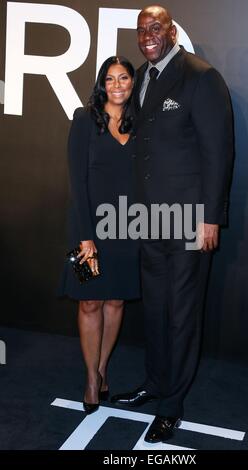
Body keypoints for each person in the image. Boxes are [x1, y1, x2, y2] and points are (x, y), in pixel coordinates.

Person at [111, 6, 233, 443]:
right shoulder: (141, 78)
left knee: (182, 315)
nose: (148, 35)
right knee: (158, 311)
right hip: (149, 220)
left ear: (173, 31)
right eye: (142, 30)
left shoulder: (200, 76)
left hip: (187, 223)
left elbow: (218, 154)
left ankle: (171, 405)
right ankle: (155, 383)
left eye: (156, 28)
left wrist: (210, 219)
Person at [58, 56, 140, 414]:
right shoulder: (84, 119)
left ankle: (104, 368)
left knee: (116, 302)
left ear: (133, 84)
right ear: (101, 84)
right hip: (87, 227)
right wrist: (86, 236)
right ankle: (91, 377)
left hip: (127, 228)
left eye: (124, 78)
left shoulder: (142, 124)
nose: (117, 85)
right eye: (110, 79)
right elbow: (77, 180)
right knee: (89, 301)